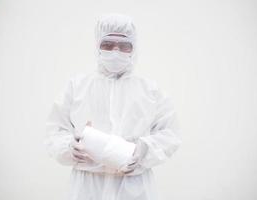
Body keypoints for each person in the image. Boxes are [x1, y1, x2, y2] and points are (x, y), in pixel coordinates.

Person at [44, 13, 182, 200]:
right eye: (108, 45)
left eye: (124, 46)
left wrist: (144, 150)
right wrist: (69, 146)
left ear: (133, 49)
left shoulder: (149, 90)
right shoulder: (77, 86)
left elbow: (170, 133)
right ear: (97, 47)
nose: (115, 51)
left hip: (134, 186)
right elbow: (55, 130)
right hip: (87, 186)